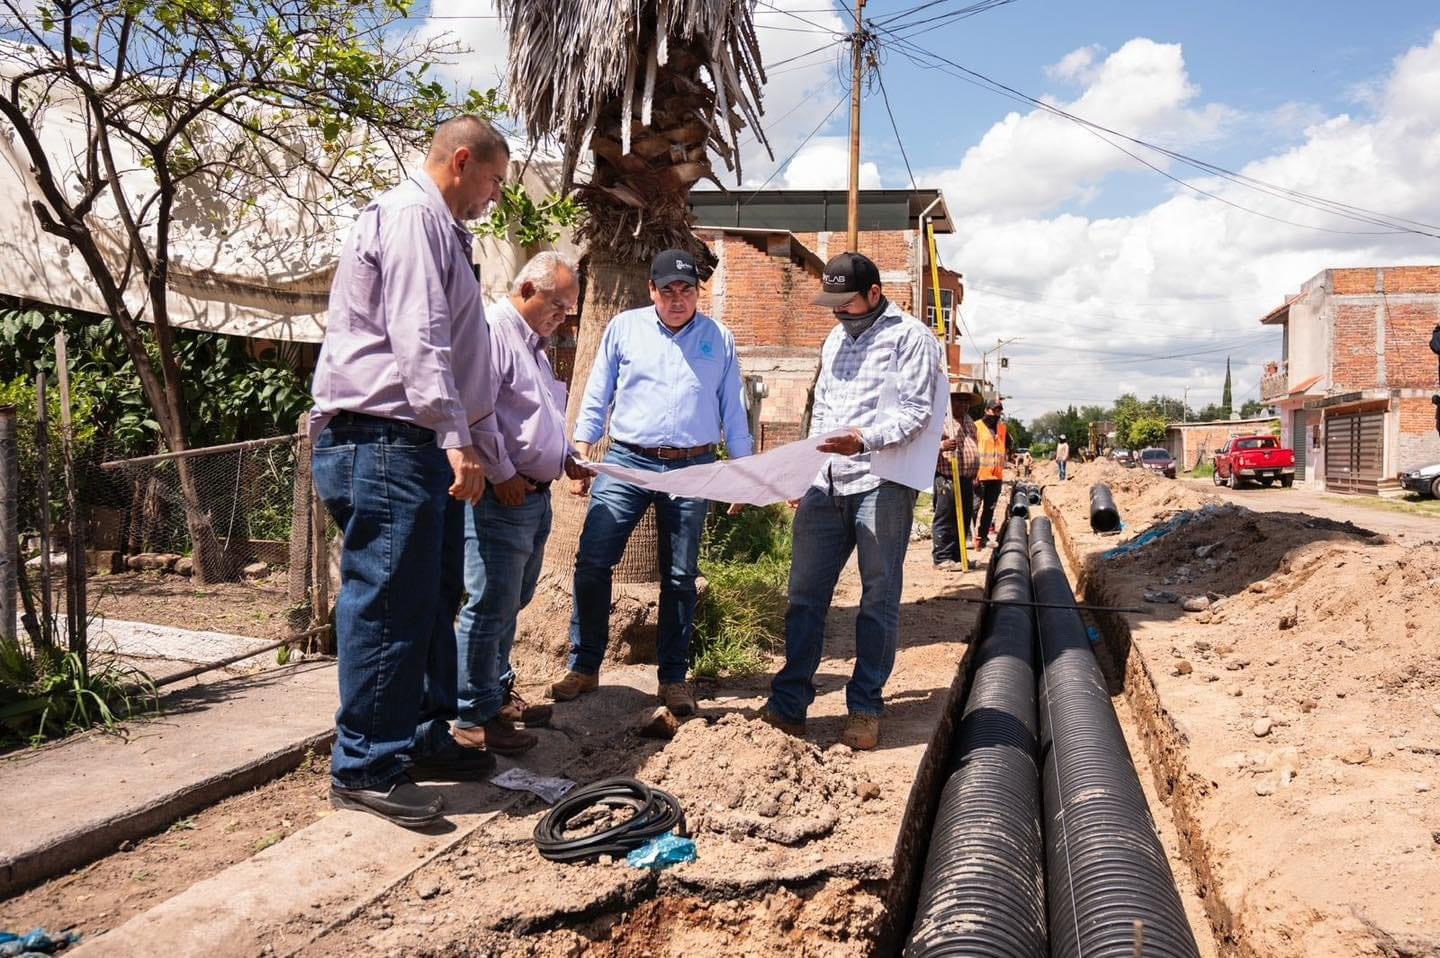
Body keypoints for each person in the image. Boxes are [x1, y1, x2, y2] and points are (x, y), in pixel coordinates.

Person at [308, 116, 510, 828]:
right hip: (388, 439)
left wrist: (468, 436)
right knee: (391, 602)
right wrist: (457, 436)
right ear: (461, 162)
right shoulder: (411, 217)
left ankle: (422, 736)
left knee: (429, 598)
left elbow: (457, 349)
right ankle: (366, 763)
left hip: (414, 441)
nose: (491, 198)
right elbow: (419, 336)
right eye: (490, 181)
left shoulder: (441, 229)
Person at [550, 249, 753, 716]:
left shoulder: (718, 337)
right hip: (626, 462)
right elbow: (598, 392)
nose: (678, 299)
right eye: (668, 291)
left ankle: (673, 678)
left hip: (692, 466)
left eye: (687, 290)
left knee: (680, 577)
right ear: (652, 291)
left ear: (697, 293)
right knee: (594, 561)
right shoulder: (624, 328)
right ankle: (584, 666)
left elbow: (733, 410)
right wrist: (582, 452)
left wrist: (743, 475)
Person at [765, 252, 942, 751]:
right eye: (833, 303)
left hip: (879, 482)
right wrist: (801, 475)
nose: (839, 312)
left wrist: (862, 440)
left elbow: (914, 415)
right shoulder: (833, 339)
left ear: (874, 293)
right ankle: (788, 705)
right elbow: (820, 413)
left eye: (847, 302)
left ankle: (864, 707)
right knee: (804, 597)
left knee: (877, 597)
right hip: (826, 484)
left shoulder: (911, 339)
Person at [452, 252, 585, 757]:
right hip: (503, 494)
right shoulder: (494, 331)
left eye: (570, 308)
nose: (564, 316)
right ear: (528, 288)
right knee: (489, 604)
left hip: (533, 493)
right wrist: (503, 473)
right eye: (558, 304)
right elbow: (478, 414)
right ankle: (473, 716)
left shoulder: (535, 343)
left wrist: (567, 456)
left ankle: (496, 695)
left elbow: (544, 412)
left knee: (513, 599)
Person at [932, 386, 979, 569]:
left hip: (966, 477)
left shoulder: (969, 421)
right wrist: (942, 445)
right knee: (946, 517)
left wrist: (975, 473)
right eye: (960, 400)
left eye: (966, 401)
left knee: (964, 517)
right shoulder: (942, 421)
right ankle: (943, 558)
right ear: (950, 402)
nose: (964, 405)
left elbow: (973, 445)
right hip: (947, 477)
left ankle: (959, 557)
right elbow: (925, 445)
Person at [973, 397, 1014, 552]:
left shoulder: (1002, 428)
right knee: (974, 508)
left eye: (999, 410)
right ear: (986, 410)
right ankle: (970, 537)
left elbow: (1008, 445)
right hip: (980, 475)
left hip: (996, 476)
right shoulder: (976, 426)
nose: (996, 413)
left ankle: (983, 537)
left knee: (989, 508)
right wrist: (973, 473)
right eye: (993, 410)